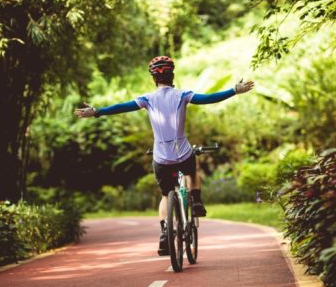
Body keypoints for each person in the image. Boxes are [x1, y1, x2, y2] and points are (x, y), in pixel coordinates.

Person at [74, 56, 254, 255]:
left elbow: (121, 107)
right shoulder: (183, 95)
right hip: (183, 153)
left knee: (164, 195)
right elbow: (208, 98)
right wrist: (234, 90)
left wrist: (97, 112)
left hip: (161, 158)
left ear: (154, 79)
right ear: (172, 75)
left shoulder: (147, 99)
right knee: (191, 172)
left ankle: (164, 233)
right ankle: (197, 202)